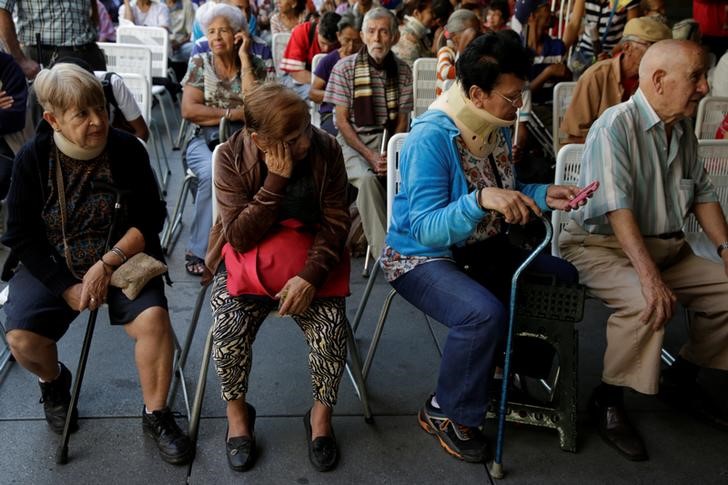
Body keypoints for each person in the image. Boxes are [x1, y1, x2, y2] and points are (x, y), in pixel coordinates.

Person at [381, 31, 581, 463]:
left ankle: (499, 367)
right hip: (420, 257)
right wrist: (478, 202)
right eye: (511, 98)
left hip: (479, 248)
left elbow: (507, 187)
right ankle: (444, 410)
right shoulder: (431, 138)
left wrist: (544, 193)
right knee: (481, 313)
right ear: (476, 92)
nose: (519, 106)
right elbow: (427, 229)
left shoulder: (494, 125)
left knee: (561, 277)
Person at [0, 63, 193, 465]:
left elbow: (151, 217)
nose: (98, 121)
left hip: (122, 257)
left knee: (154, 321)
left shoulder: (125, 149)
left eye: (100, 109)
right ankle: (53, 381)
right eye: (82, 114)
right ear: (53, 119)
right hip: (56, 262)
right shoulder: (33, 158)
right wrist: (63, 286)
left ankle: (156, 413)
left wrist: (108, 263)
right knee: (21, 338)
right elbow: (20, 235)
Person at [559, 40, 728, 462]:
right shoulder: (615, 126)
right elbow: (618, 209)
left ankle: (682, 378)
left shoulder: (682, 127)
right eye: (696, 77)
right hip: (604, 247)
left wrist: (726, 248)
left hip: (667, 247)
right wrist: (650, 277)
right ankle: (609, 399)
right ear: (658, 80)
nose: (705, 87)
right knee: (645, 301)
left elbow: (703, 194)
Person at [204, 83, 351, 473]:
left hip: (311, 262)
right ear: (259, 139)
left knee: (332, 327)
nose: (305, 141)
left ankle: (320, 419)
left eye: (306, 128)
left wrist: (310, 276)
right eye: (292, 137)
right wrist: (275, 182)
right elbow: (237, 235)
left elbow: (336, 222)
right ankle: (238, 416)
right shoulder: (233, 155)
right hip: (249, 261)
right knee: (227, 326)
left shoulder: (326, 147)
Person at [180, 2, 266, 276]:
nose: (216, 37)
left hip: (244, 142)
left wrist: (243, 58)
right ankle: (199, 249)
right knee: (211, 171)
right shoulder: (199, 62)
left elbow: (257, 107)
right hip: (202, 141)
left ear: (238, 34)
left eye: (224, 31)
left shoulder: (254, 64)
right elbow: (189, 110)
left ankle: (243, 243)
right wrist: (232, 113)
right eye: (211, 31)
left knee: (262, 171)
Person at [324, 6, 412, 262]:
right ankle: (388, 255)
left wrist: (389, 155)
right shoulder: (344, 68)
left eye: (384, 32)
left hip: (388, 140)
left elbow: (403, 122)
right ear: (362, 36)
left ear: (394, 37)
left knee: (415, 175)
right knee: (366, 179)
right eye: (371, 31)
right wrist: (371, 156)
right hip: (351, 142)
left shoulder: (404, 71)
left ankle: (417, 244)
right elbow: (340, 121)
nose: (377, 38)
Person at [560, 16, 671, 145]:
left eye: (662, 49)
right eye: (651, 46)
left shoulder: (660, 81)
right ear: (627, 48)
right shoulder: (597, 76)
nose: (659, 55)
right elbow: (574, 136)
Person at [0, 0, 107, 79]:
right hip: (45, 55)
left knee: (97, 104)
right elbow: (2, 10)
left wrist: (95, 20)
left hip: (88, 50)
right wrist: (20, 60)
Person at [310, 13, 362, 135]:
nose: (351, 47)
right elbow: (313, 93)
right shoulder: (329, 61)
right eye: (347, 40)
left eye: (356, 42)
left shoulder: (368, 61)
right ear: (338, 36)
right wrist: (339, 96)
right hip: (331, 114)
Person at [563, 0, 640, 77]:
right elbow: (573, 24)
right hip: (585, 53)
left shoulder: (628, 1)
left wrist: (610, 55)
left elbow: (630, 34)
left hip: (613, 55)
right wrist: (561, 52)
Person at [280, 10, 341, 100]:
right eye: (323, 43)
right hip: (297, 79)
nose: (326, 49)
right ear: (317, 29)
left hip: (327, 83)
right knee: (311, 96)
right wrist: (325, 85)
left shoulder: (344, 39)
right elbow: (296, 72)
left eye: (331, 45)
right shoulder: (301, 32)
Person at [391, 0, 452, 68]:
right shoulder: (406, 37)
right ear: (416, 13)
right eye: (430, 12)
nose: (434, 16)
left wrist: (436, 40)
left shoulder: (421, 36)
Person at [435, 8, 481, 97]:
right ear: (454, 35)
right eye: (470, 32)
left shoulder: (474, 52)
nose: (475, 36)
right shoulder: (446, 51)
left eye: (477, 31)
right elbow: (445, 72)